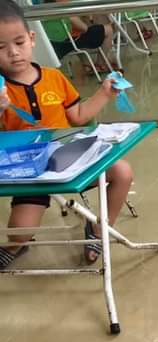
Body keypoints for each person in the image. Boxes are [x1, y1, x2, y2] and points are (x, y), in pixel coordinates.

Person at [0, 0, 133, 268]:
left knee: (123, 172)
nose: (13, 53)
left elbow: (79, 116)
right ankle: (16, 245)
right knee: (20, 234)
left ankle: (98, 230)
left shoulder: (54, 78)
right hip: (28, 172)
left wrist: (104, 93)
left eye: (19, 42)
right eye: (0, 47)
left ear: (32, 38)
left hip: (68, 158)